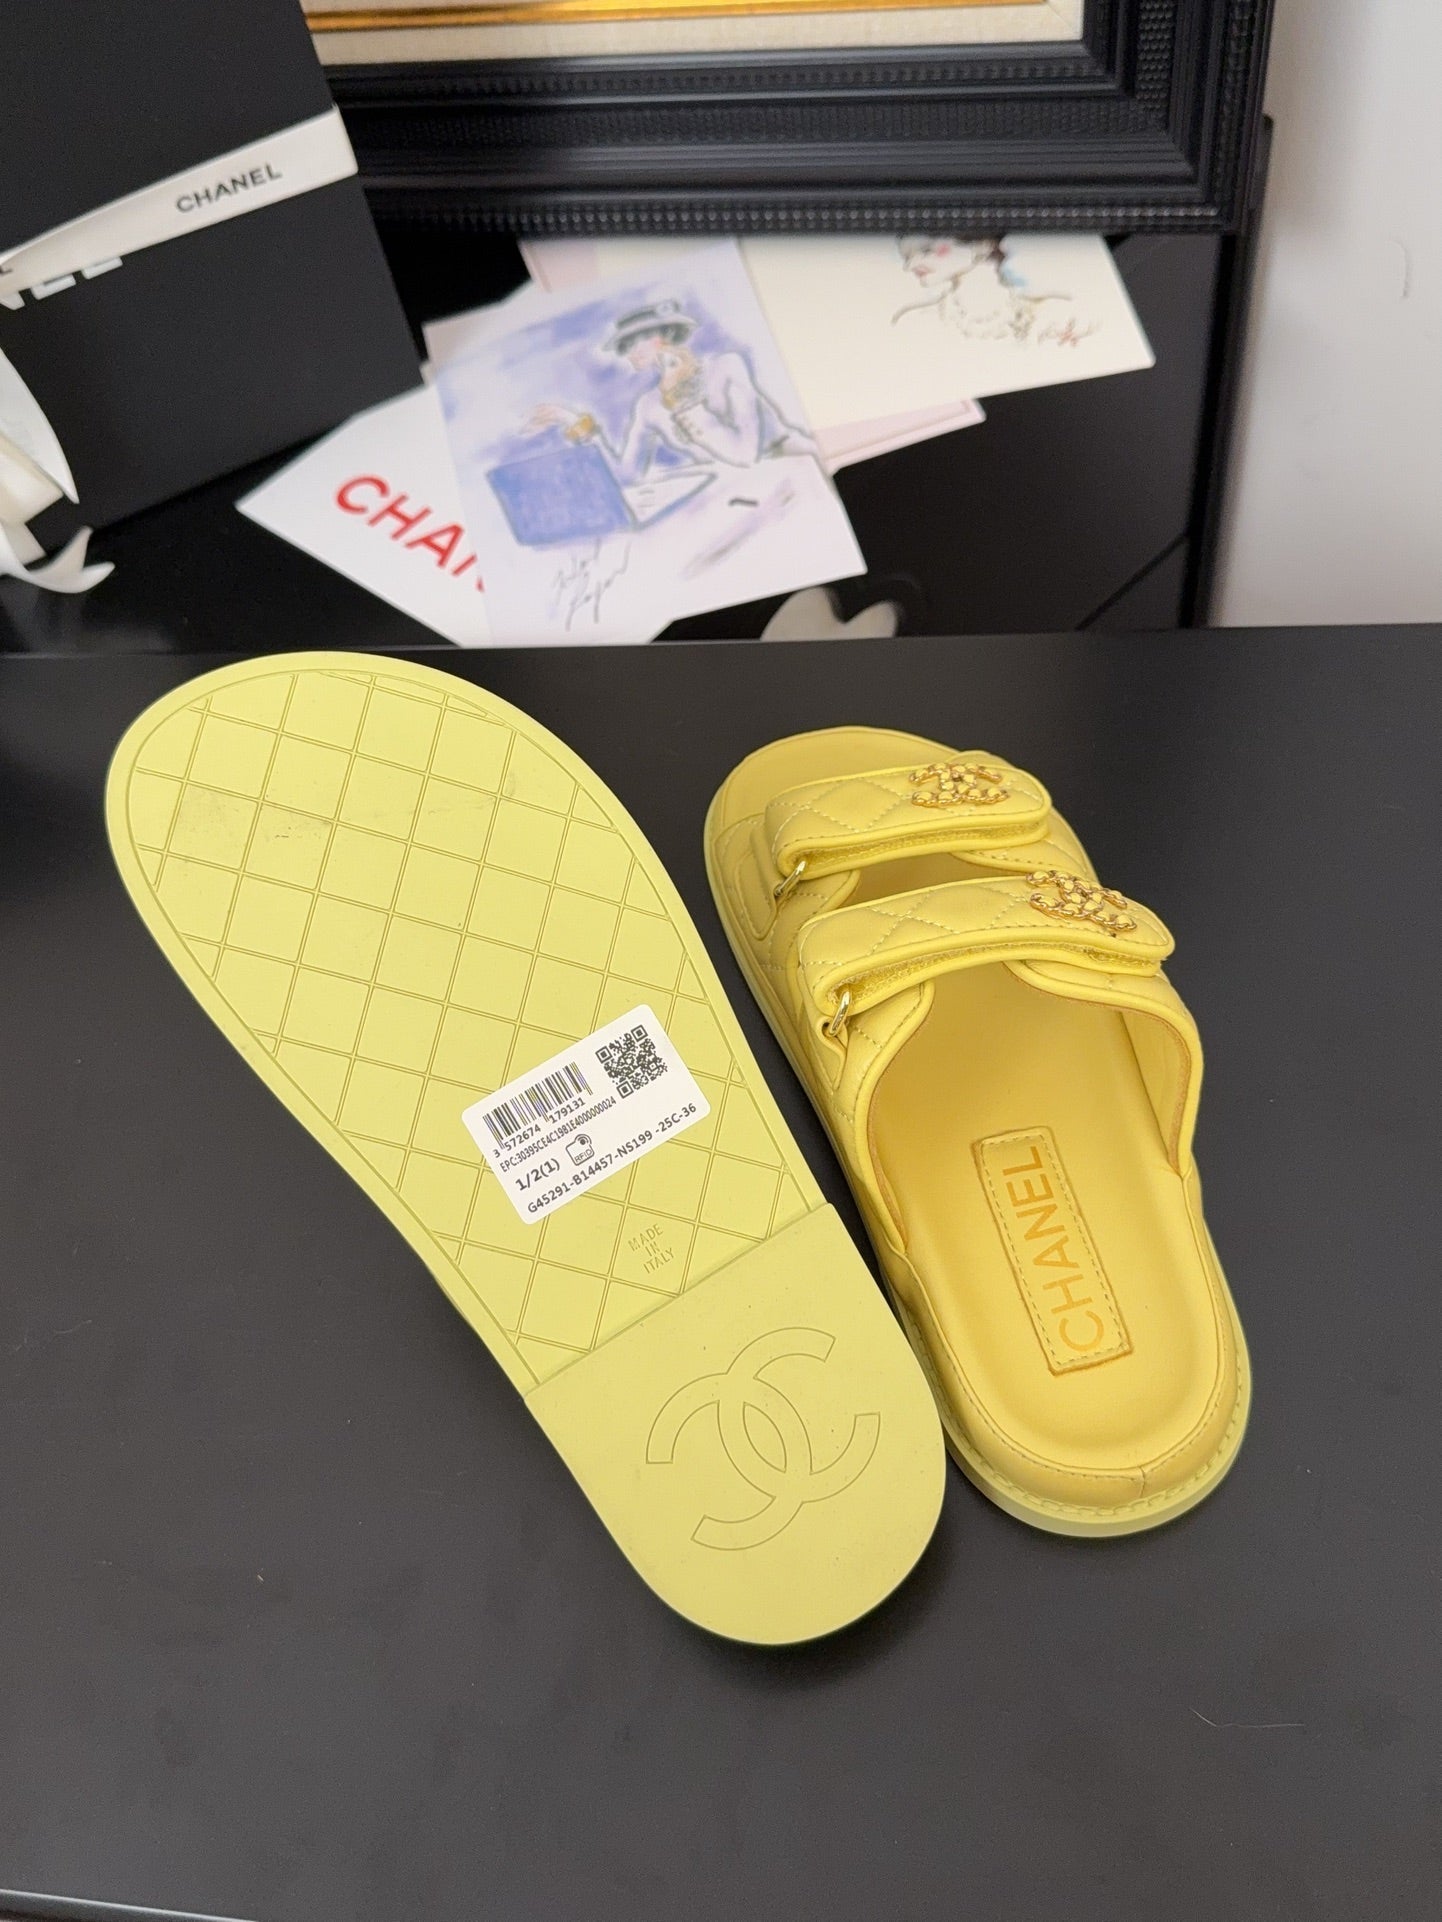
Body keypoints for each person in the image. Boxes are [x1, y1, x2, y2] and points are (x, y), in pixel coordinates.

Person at [527, 300, 812, 481]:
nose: (629, 352)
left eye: (636, 341)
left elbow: (745, 456)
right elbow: (627, 475)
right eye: (624, 347)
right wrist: (577, 424)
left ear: (664, 337)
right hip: (733, 486)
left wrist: (682, 402)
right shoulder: (648, 405)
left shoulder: (727, 366)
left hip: (791, 465)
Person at [893, 235, 1075, 341]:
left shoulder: (1052, 313)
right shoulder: (916, 320)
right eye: (907, 257)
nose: (909, 266)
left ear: (983, 245)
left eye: (926, 251)